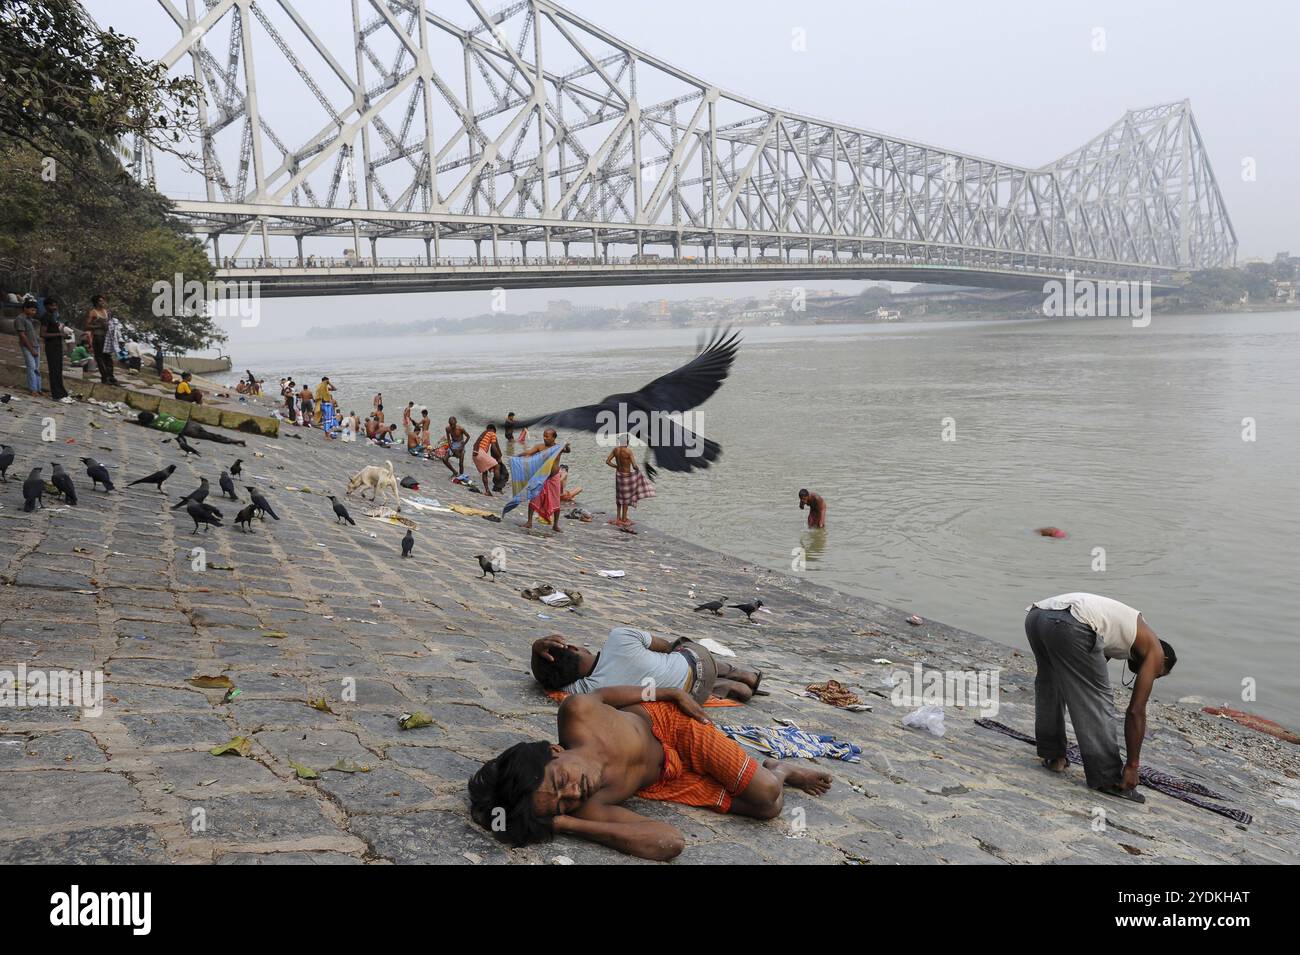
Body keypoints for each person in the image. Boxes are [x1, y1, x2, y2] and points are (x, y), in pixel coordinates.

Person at [468, 686, 832, 859]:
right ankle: (775, 766)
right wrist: (566, 825)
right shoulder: (589, 806)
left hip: (674, 728)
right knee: (765, 810)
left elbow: (620, 693)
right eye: (564, 806)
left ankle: (777, 771)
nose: (575, 794)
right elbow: (669, 842)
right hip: (665, 779)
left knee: (767, 792)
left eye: (561, 782)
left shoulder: (578, 712)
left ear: (554, 751)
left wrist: (671, 691)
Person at [1024, 593, 1177, 802]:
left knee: (1051, 684)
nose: (1153, 676)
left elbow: (1085, 670)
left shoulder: (1123, 631)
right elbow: (1135, 710)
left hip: (1038, 617)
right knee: (1098, 700)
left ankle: (1053, 756)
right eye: (1158, 673)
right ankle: (1107, 778)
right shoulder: (1155, 651)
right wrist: (1132, 766)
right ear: (1163, 659)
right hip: (1072, 622)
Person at [531, 628, 762, 703]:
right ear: (572, 648)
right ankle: (741, 674)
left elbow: (550, 682)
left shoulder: (585, 691)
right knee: (681, 648)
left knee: (685, 678)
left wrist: (536, 652)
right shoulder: (619, 637)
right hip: (698, 662)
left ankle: (735, 689)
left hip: (693, 695)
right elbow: (665, 647)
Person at [605, 435, 655, 527]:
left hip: (618, 475)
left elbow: (607, 461)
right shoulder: (628, 451)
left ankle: (618, 517)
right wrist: (638, 470)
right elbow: (634, 466)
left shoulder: (615, 450)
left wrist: (616, 466)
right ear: (627, 442)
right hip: (626, 476)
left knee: (619, 496)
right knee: (626, 498)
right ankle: (624, 518)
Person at [524, 458, 565, 533]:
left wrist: (565, 446)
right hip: (542, 474)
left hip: (554, 476)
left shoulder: (559, 448)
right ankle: (529, 521)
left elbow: (568, 450)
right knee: (535, 497)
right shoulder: (542, 447)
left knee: (556, 500)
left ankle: (555, 525)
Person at [85, 295, 118, 385]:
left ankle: (111, 377)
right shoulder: (93, 312)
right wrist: (99, 326)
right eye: (100, 301)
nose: (103, 302)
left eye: (103, 301)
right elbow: (87, 326)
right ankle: (105, 378)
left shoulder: (106, 312)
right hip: (98, 337)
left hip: (107, 337)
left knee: (108, 357)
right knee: (100, 358)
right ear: (96, 302)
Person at [14, 297, 42, 396]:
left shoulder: (30, 319)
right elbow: (22, 335)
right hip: (27, 347)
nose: (34, 312)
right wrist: (31, 349)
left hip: (36, 345)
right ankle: (33, 389)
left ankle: (38, 389)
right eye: (32, 310)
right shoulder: (20, 319)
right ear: (25, 308)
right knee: (31, 367)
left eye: (35, 310)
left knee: (37, 368)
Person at [472, 424, 500, 497]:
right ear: (494, 430)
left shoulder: (484, 434)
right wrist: (498, 457)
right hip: (480, 452)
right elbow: (493, 447)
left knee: (485, 472)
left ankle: (487, 491)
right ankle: (498, 486)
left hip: (475, 454)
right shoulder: (492, 433)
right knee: (497, 466)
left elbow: (476, 444)